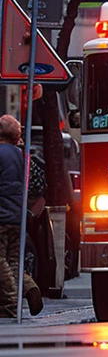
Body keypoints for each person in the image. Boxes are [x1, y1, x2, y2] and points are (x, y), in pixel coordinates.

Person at [0, 115, 41, 317]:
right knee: (14, 260)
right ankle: (29, 287)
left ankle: (13, 298)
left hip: (1, 216)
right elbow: (32, 185)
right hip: (18, 217)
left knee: (0, 260)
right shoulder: (22, 155)